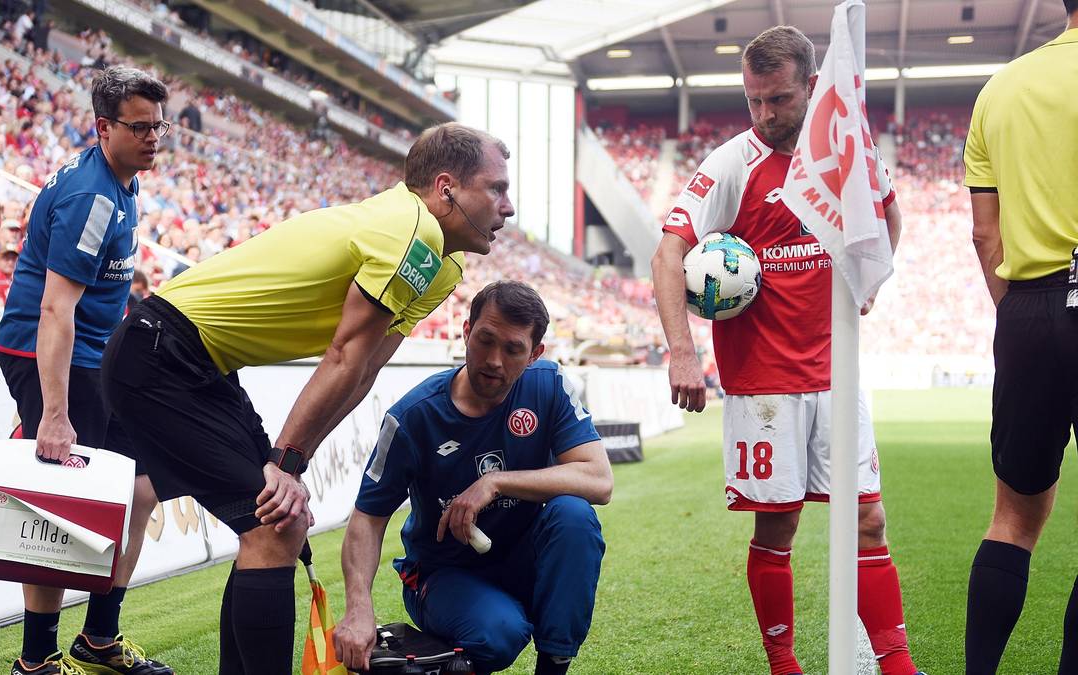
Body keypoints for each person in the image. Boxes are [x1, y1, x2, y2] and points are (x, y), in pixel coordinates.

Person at [101, 122, 515, 674]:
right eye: (496, 189)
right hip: (159, 352)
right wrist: (287, 462)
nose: (508, 207)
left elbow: (365, 368)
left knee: (275, 527)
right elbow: (344, 355)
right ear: (447, 189)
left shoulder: (440, 263)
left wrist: (293, 463)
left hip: (193, 361)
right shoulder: (413, 235)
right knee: (276, 525)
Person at [651, 26, 921, 675]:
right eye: (754, 102)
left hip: (838, 374)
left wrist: (870, 279)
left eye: (778, 100)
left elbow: (889, 213)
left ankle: (898, 664)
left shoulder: (846, 156)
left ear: (810, 85)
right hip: (763, 385)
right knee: (778, 531)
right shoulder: (729, 165)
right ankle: (784, 664)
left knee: (870, 521)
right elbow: (668, 254)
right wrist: (681, 352)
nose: (765, 115)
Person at [335, 280, 612, 675]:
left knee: (574, 515)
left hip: (523, 558)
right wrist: (358, 609)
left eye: (513, 349)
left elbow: (599, 481)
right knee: (498, 634)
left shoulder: (550, 384)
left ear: (535, 354)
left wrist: (495, 482)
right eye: (485, 340)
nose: (494, 360)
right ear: (466, 333)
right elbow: (367, 517)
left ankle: (552, 668)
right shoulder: (413, 416)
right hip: (443, 573)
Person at [0, 65, 173, 675]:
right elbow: (54, 308)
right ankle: (37, 660)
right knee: (57, 504)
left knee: (143, 490)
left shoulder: (121, 181)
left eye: (159, 126)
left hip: (99, 359)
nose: (154, 138)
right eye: (140, 127)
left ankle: (97, 639)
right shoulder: (92, 197)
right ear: (104, 127)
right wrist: (53, 413)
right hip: (52, 357)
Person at [962, 3, 1078, 672]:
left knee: (1012, 518)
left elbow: (985, 233)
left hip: (1029, 309)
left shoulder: (1000, 87)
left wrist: (1023, 313)